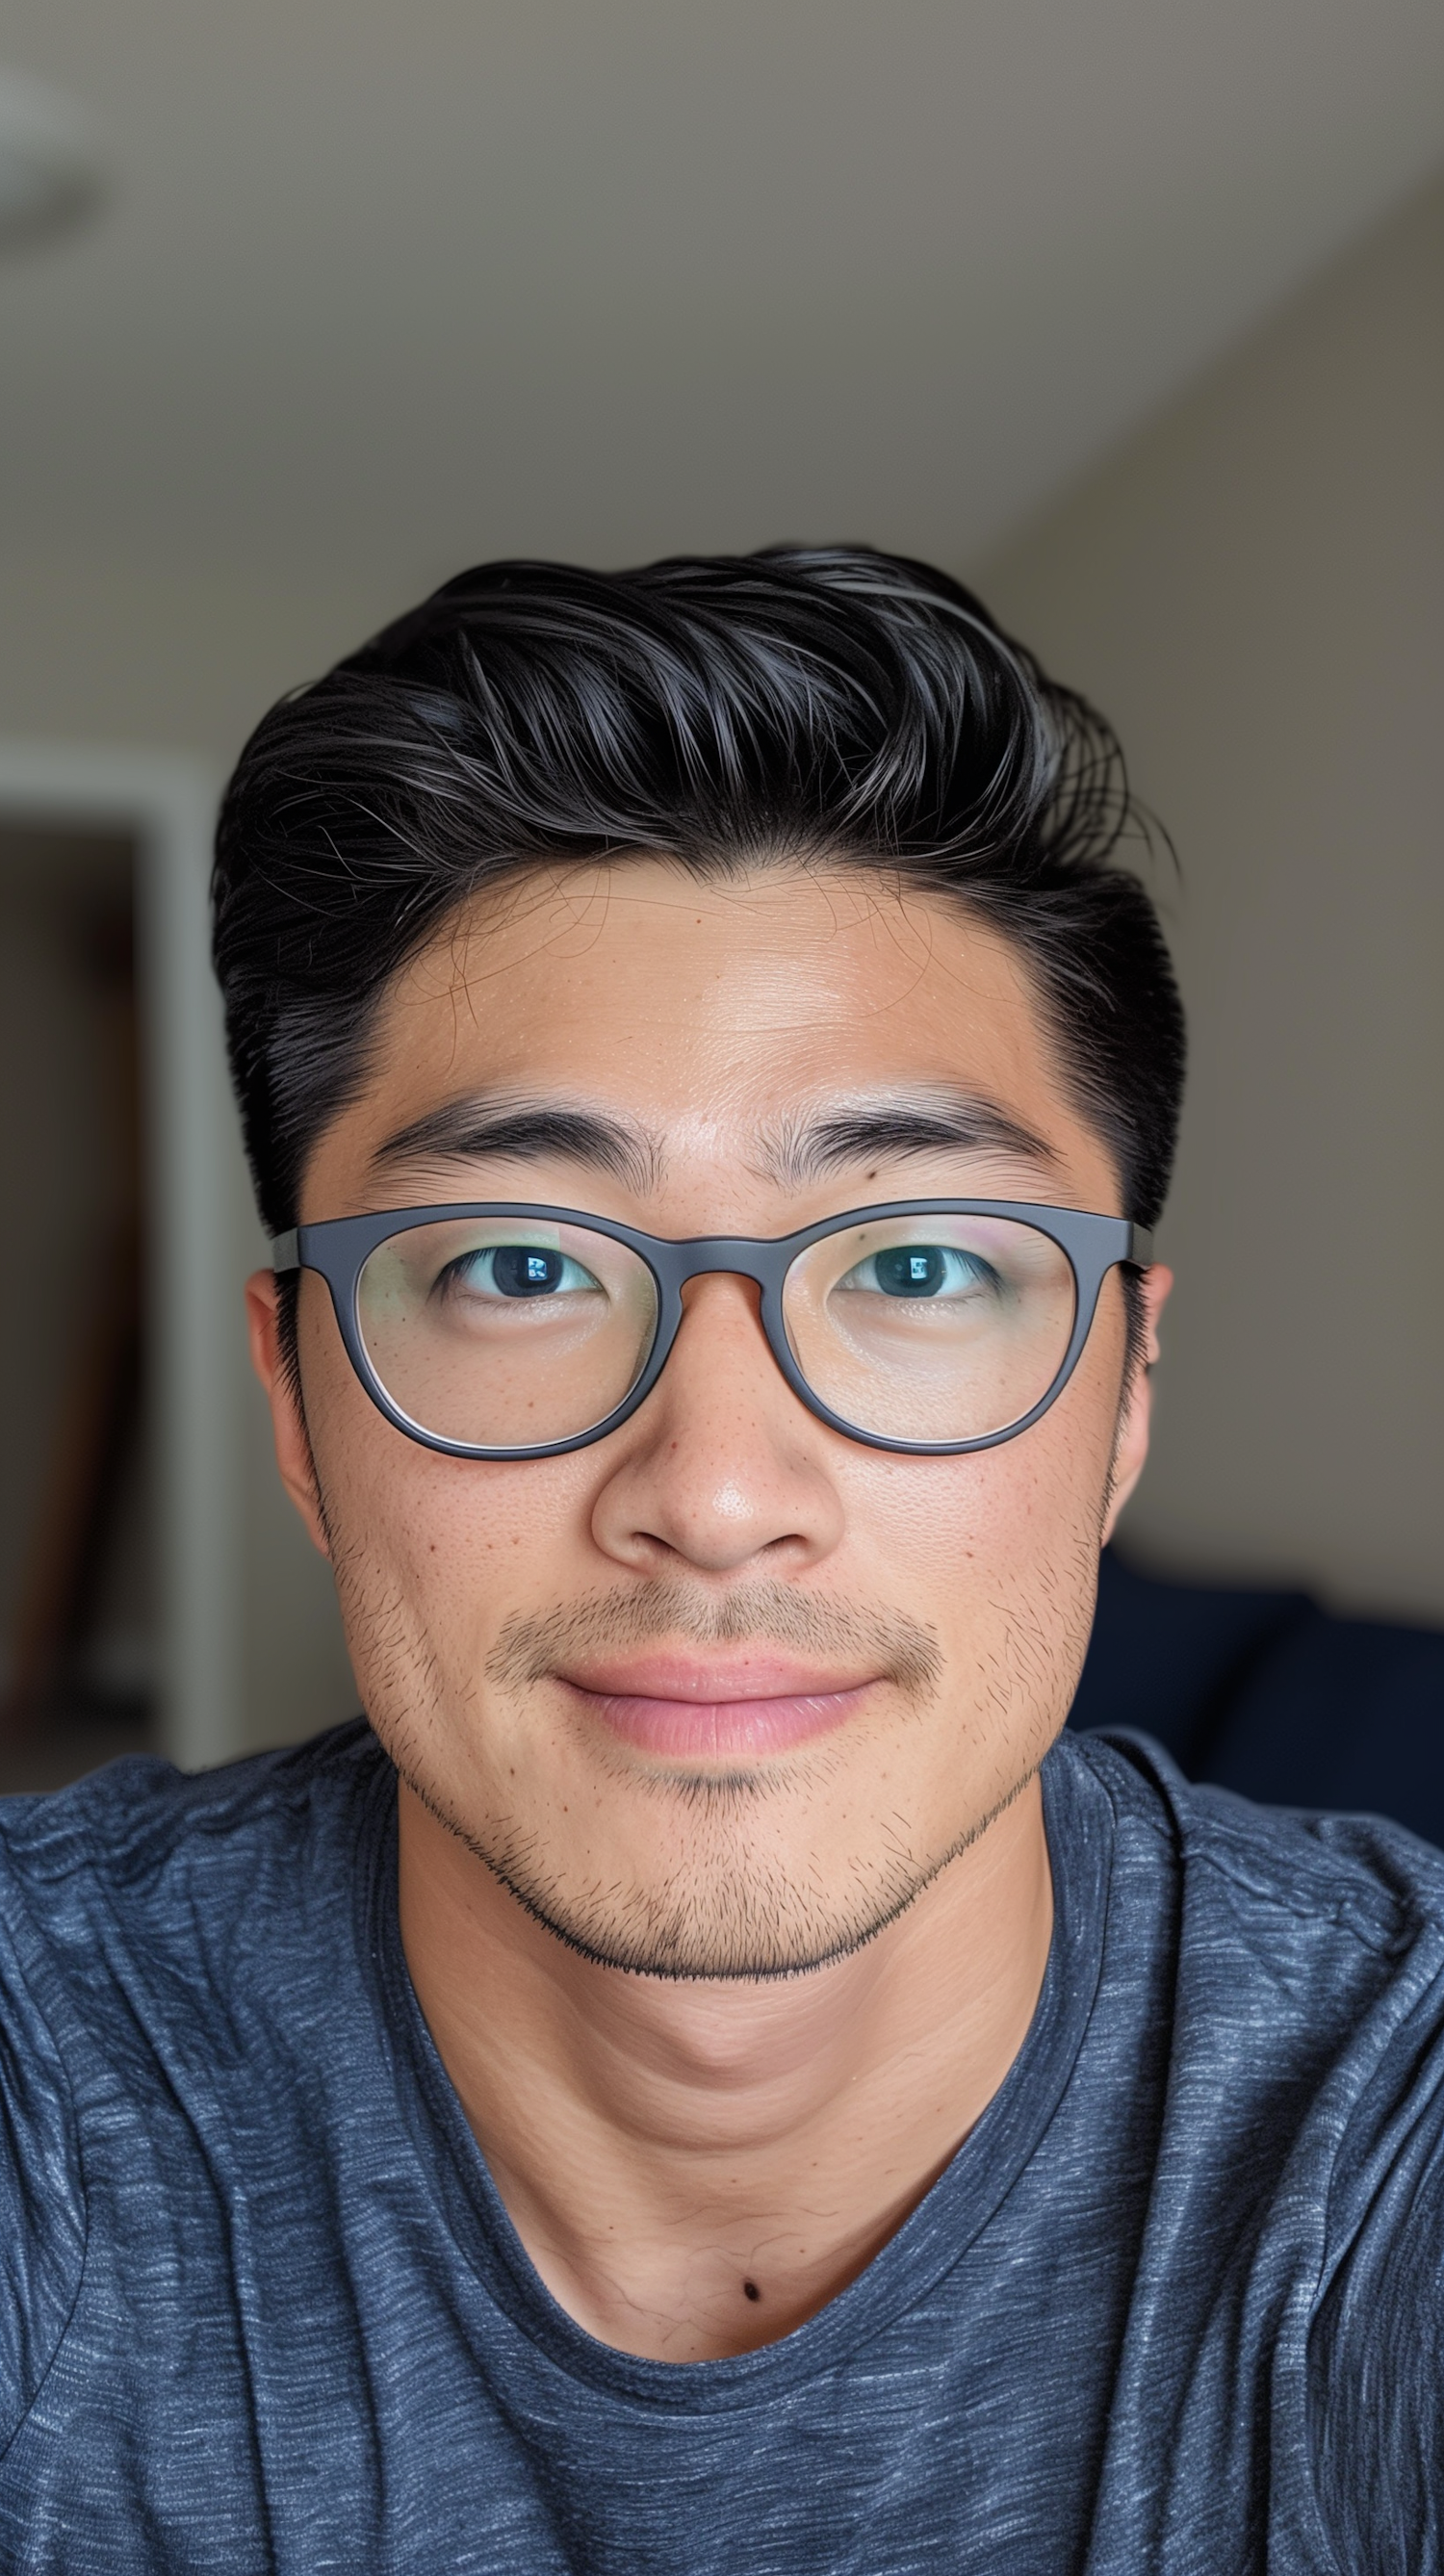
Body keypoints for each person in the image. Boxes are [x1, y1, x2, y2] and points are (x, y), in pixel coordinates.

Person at [0, 550, 1437, 2573]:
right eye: (517, 1266)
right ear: (298, 1406)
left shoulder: (1389, 2129)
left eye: (919, 1263)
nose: (719, 1485)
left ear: (1124, 1399)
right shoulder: (47, 2073)